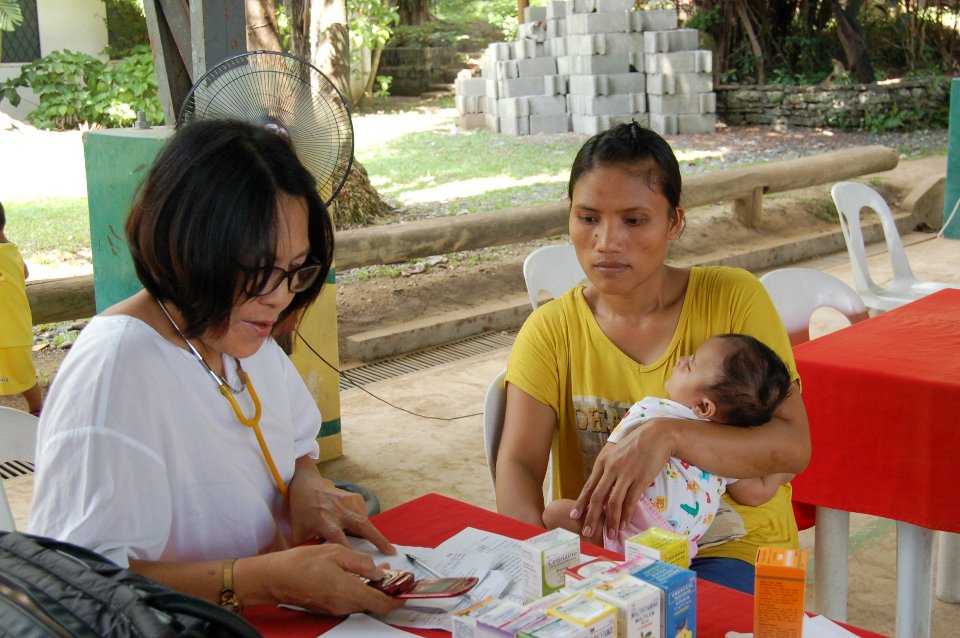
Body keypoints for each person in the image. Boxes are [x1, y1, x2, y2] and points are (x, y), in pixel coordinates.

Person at [28, 119, 404, 617]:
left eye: (296, 270)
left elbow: (296, 449)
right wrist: (261, 582)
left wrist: (308, 487)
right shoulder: (116, 371)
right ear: (190, 247)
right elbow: (77, 584)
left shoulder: (242, 337)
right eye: (259, 270)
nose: (280, 298)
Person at [495, 121, 811, 594]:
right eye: (588, 218)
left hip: (730, 547)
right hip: (612, 550)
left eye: (634, 220)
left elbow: (793, 446)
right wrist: (538, 564)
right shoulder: (550, 331)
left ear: (674, 222)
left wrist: (668, 435)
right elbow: (518, 463)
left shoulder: (734, 299)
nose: (606, 241)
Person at [543, 333, 795, 555]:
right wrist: (784, 471)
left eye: (691, 364)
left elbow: (608, 460)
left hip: (622, 529)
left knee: (554, 513)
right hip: (676, 551)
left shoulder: (653, 409)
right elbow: (754, 493)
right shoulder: (725, 447)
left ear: (703, 406)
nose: (681, 359)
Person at [0, 201, 43, 416]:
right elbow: (24, 273)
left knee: (24, 377)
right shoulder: (12, 251)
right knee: (24, 377)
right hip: (16, 330)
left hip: (12, 334)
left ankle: (37, 410)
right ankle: (37, 410)